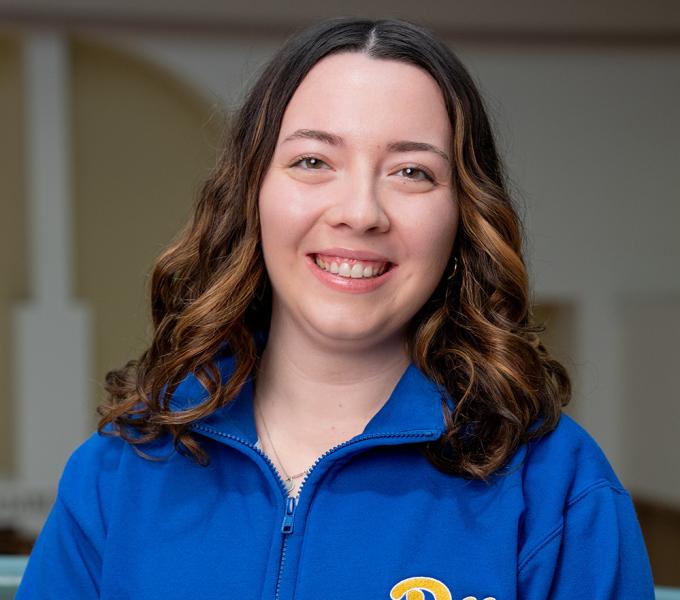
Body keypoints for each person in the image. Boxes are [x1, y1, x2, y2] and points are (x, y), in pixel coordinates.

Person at [17, 17, 655, 600]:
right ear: (251, 197)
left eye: (411, 173)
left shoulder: (555, 489)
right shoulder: (117, 475)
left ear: (462, 219)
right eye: (313, 161)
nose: (360, 212)